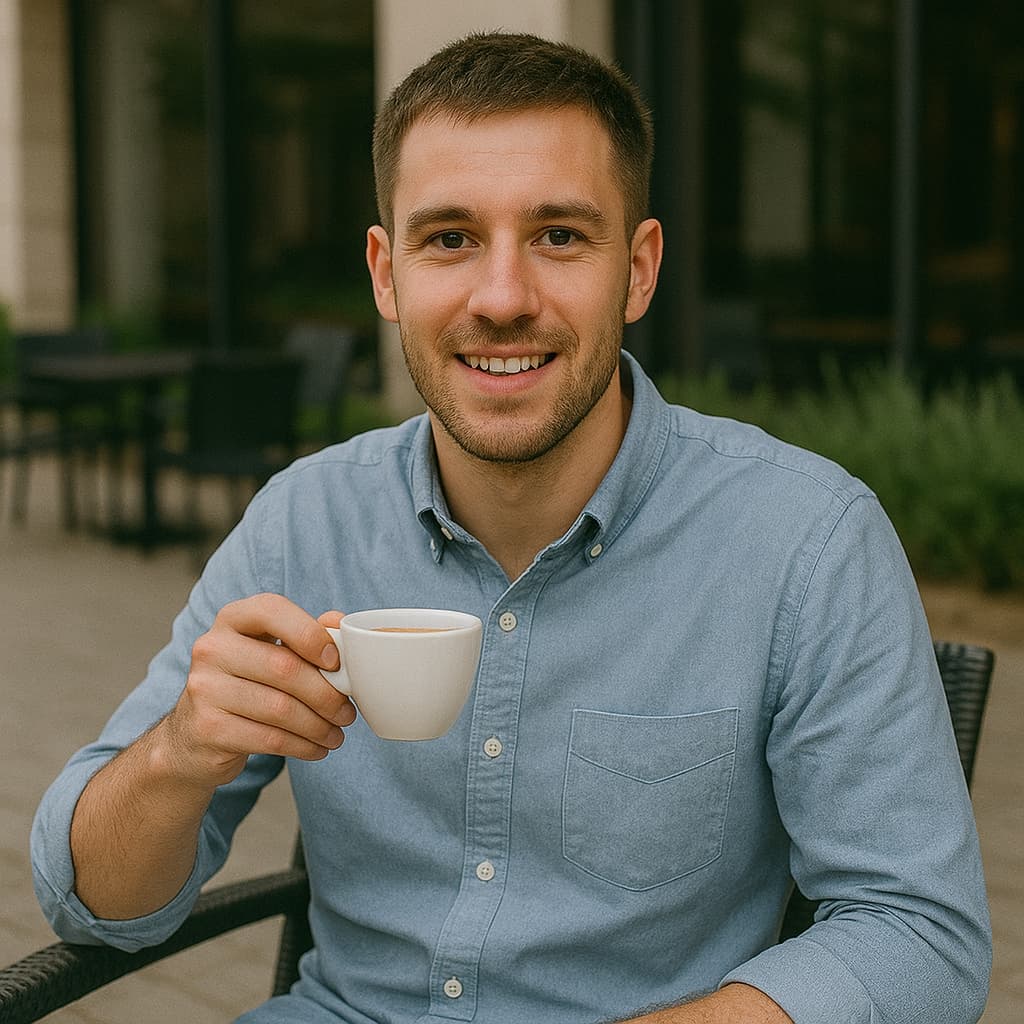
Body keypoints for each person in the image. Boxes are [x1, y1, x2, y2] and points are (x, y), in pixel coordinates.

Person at [32, 32, 990, 1024]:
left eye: (560, 236)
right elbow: (93, 906)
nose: (502, 299)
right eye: (449, 238)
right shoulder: (302, 521)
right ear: (385, 273)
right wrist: (178, 754)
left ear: (639, 269)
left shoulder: (805, 542)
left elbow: (921, 933)